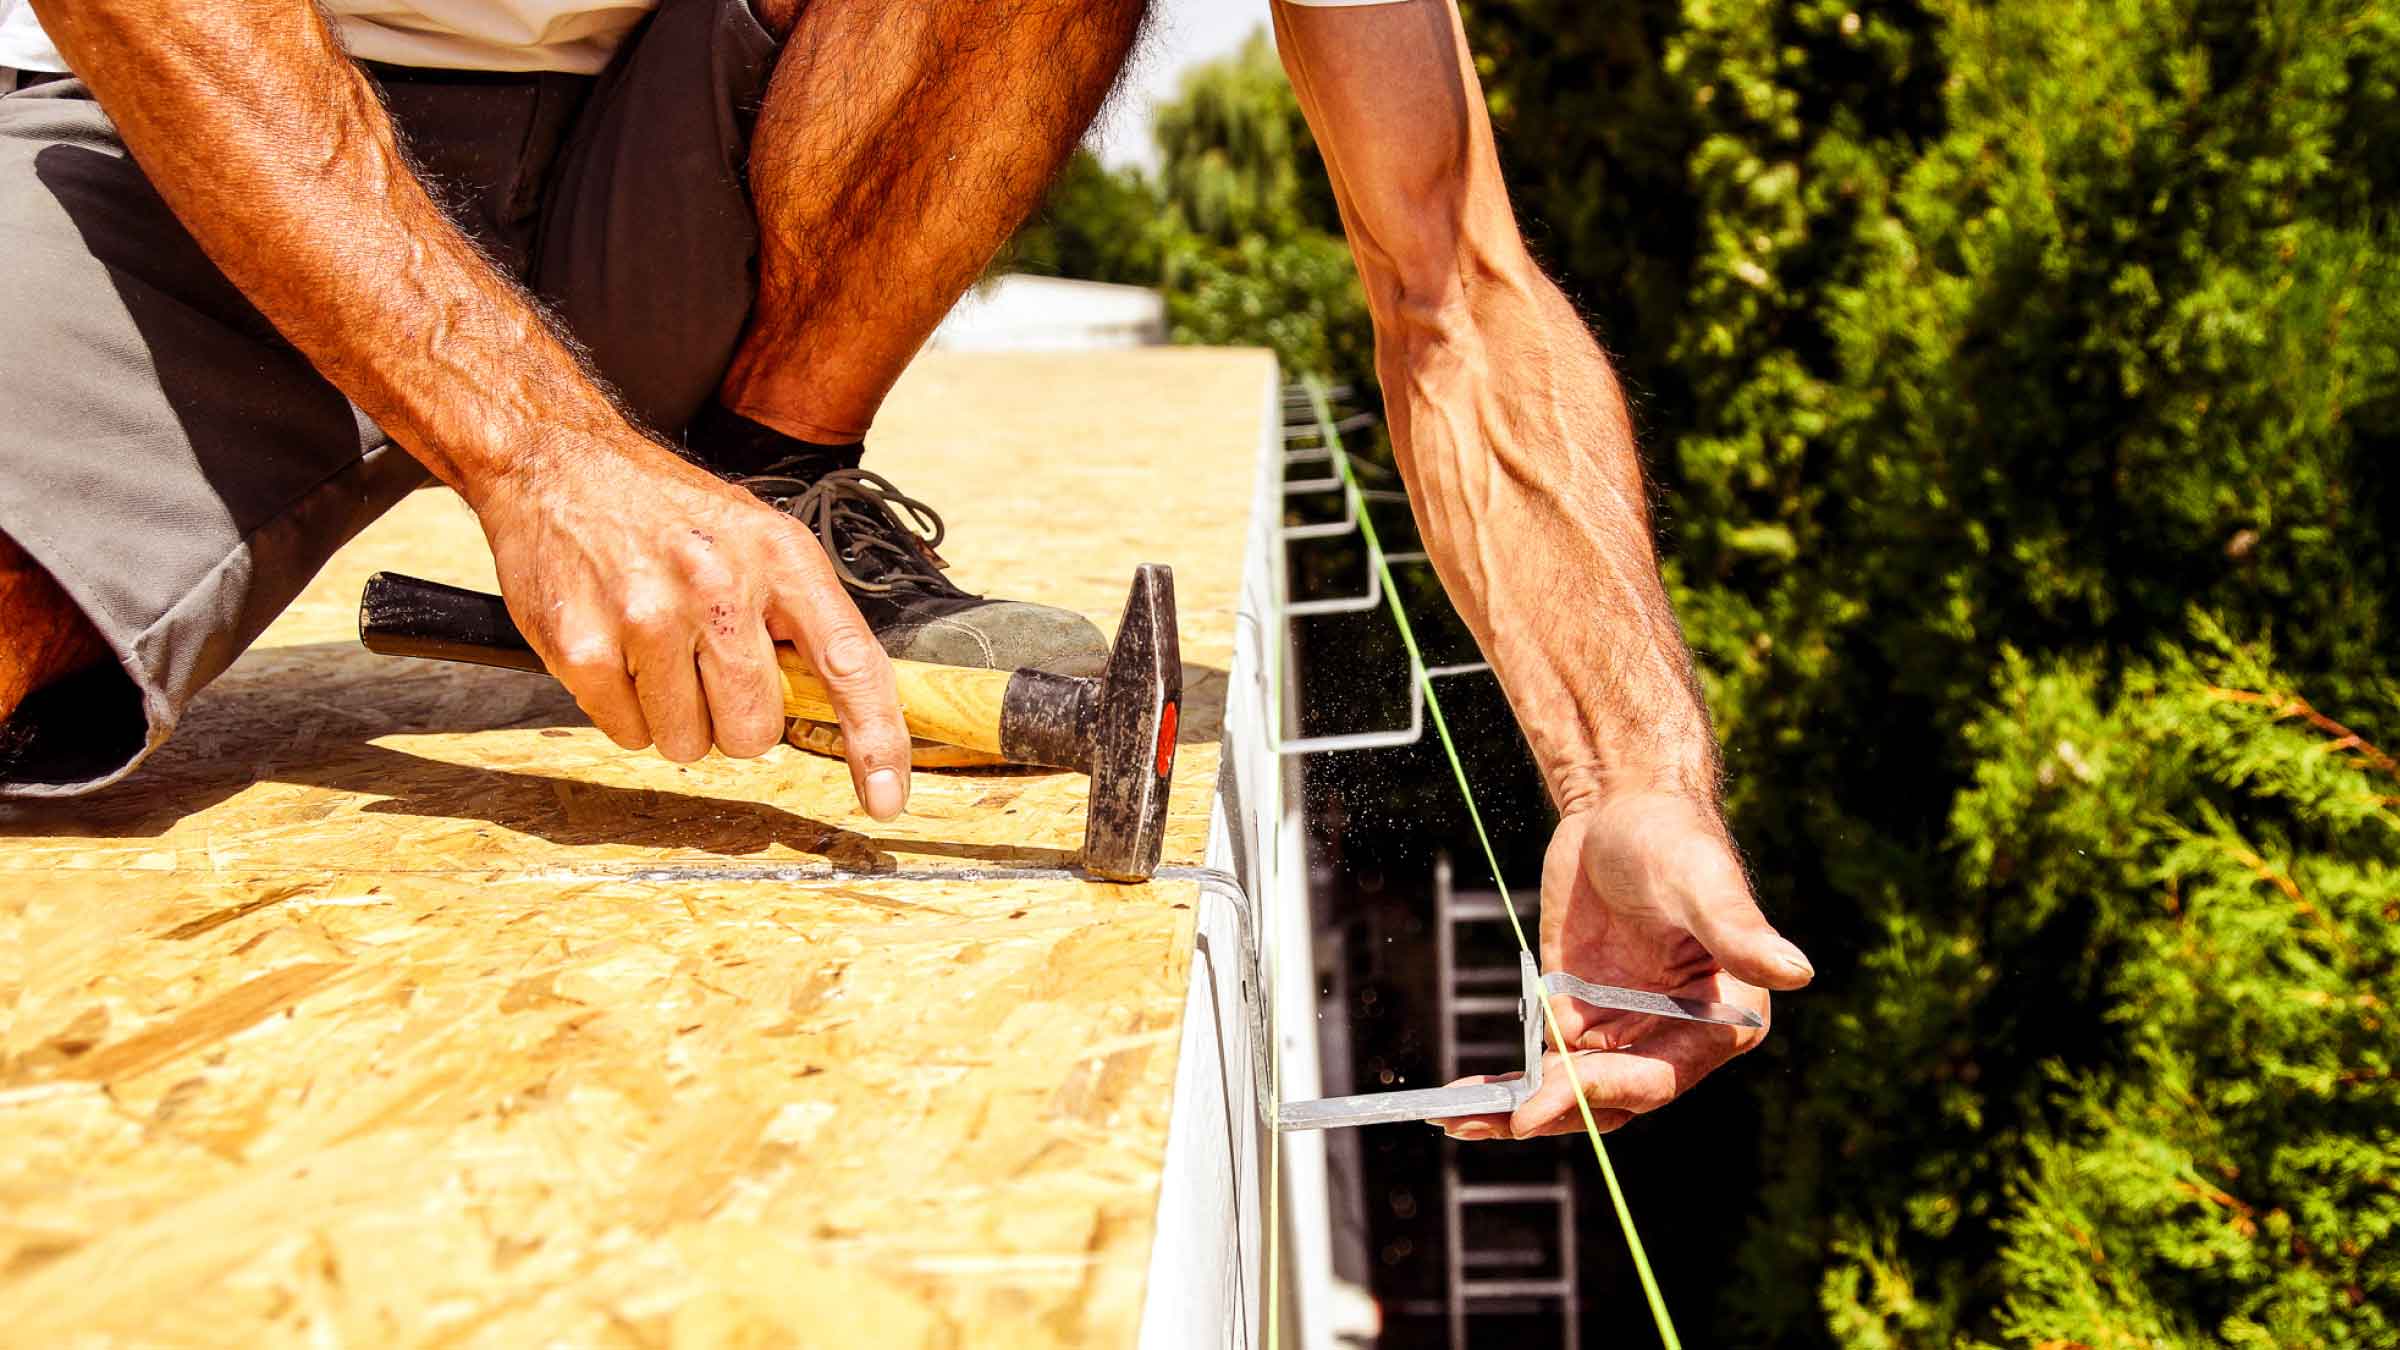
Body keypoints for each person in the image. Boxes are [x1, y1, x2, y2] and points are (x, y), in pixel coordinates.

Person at [0, 0, 1813, 1140]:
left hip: (663, 142)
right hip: (205, 132)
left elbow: (1454, 277)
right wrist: (534, 449)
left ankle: (765, 476)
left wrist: (1632, 772)